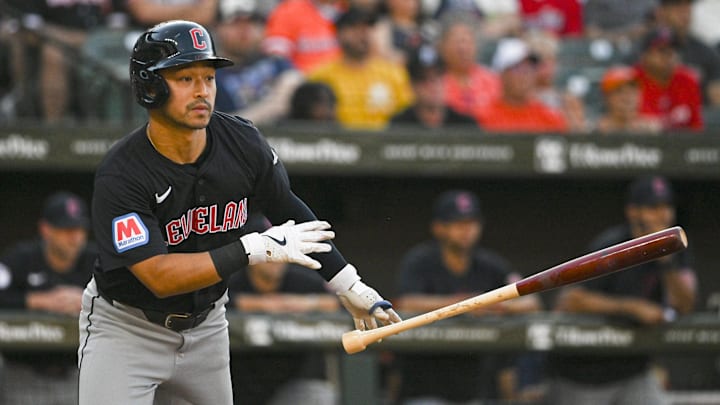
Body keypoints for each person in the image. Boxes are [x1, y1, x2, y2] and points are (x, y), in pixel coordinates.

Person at [77, 20, 401, 405]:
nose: (202, 91)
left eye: (208, 77)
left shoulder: (242, 140)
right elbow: (158, 276)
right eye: (185, 78)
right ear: (150, 86)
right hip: (127, 328)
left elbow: (288, 208)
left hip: (207, 327)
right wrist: (252, 248)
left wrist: (348, 283)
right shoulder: (122, 172)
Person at [546, 175, 698, 405]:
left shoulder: (677, 249)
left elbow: (685, 304)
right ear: (633, 212)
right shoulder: (613, 246)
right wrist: (630, 307)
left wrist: (667, 259)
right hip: (585, 374)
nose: (662, 215)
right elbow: (568, 300)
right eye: (653, 207)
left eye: (666, 206)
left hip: (633, 371)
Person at [392, 189, 542, 404]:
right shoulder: (420, 261)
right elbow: (405, 302)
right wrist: (466, 304)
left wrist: (495, 305)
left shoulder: (490, 264)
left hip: (477, 384)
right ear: (439, 228)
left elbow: (531, 302)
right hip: (425, 382)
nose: (467, 230)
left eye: (471, 222)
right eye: (458, 223)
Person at [228, 214, 340, 405]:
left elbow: (337, 303)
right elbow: (218, 302)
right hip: (236, 384)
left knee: (318, 395)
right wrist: (262, 304)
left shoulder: (302, 279)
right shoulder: (232, 278)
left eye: (282, 246)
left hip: (290, 382)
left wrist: (300, 303)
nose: (276, 256)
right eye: (269, 248)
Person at [0, 191, 95, 405]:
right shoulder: (21, 258)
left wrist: (88, 300)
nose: (75, 238)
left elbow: (126, 298)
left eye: (80, 229)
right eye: (67, 229)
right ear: (46, 229)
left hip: (76, 375)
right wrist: (38, 300)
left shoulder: (95, 261)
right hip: (23, 375)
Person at [308, 7, 414, 130]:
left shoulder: (394, 74)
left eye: (367, 28)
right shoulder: (321, 76)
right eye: (355, 28)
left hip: (383, 144)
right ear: (339, 33)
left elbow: (408, 116)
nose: (363, 34)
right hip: (339, 145)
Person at [213, 0, 304, 125]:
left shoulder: (277, 63)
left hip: (284, 140)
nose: (245, 30)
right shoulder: (210, 74)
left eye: (253, 22)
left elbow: (294, 87)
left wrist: (239, 122)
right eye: (236, 23)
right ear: (218, 28)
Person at [478, 37, 568, 133]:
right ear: (502, 74)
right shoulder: (482, 118)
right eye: (518, 69)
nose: (525, 75)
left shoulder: (550, 119)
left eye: (530, 68)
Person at [390, 45, 478, 130]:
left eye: (438, 76)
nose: (432, 85)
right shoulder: (399, 126)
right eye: (423, 78)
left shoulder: (465, 125)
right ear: (412, 85)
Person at [633, 27, 704, 131]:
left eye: (674, 50)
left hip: (682, 144)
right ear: (645, 55)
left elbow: (696, 126)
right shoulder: (631, 80)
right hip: (642, 145)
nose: (669, 55)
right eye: (662, 51)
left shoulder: (688, 80)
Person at [653, 0, 720, 106]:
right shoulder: (644, 49)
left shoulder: (705, 52)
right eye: (677, 5)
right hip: (653, 116)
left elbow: (717, 100)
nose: (684, 11)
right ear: (661, 12)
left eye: (688, 5)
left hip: (697, 117)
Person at [437, 14, 501, 123]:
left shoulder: (492, 80)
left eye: (467, 41)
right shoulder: (435, 82)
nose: (463, 48)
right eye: (456, 42)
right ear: (442, 46)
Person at [262, 0, 344, 73]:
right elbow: (277, 56)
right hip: (302, 81)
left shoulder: (347, 9)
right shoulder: (289, 10)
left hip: (345, 81)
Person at [595, 65, 663, 134]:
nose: (627, 97)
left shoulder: (652, 128)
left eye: (632, 90)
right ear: (607, 97)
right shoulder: (595, 130)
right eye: (619, 91)